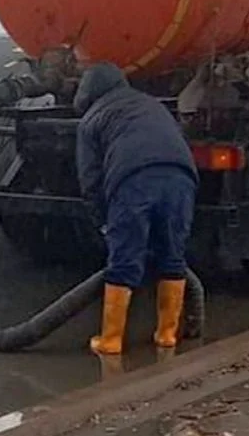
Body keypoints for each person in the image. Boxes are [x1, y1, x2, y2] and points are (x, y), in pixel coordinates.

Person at [74, 62, 198, 355]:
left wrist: (102, 221)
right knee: (172, 255)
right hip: (182, 177)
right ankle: (167, 335)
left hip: (134, 181)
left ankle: (111, 340)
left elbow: (90, 179)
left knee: (125, 259)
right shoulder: (150, 104)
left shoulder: (93, 119)